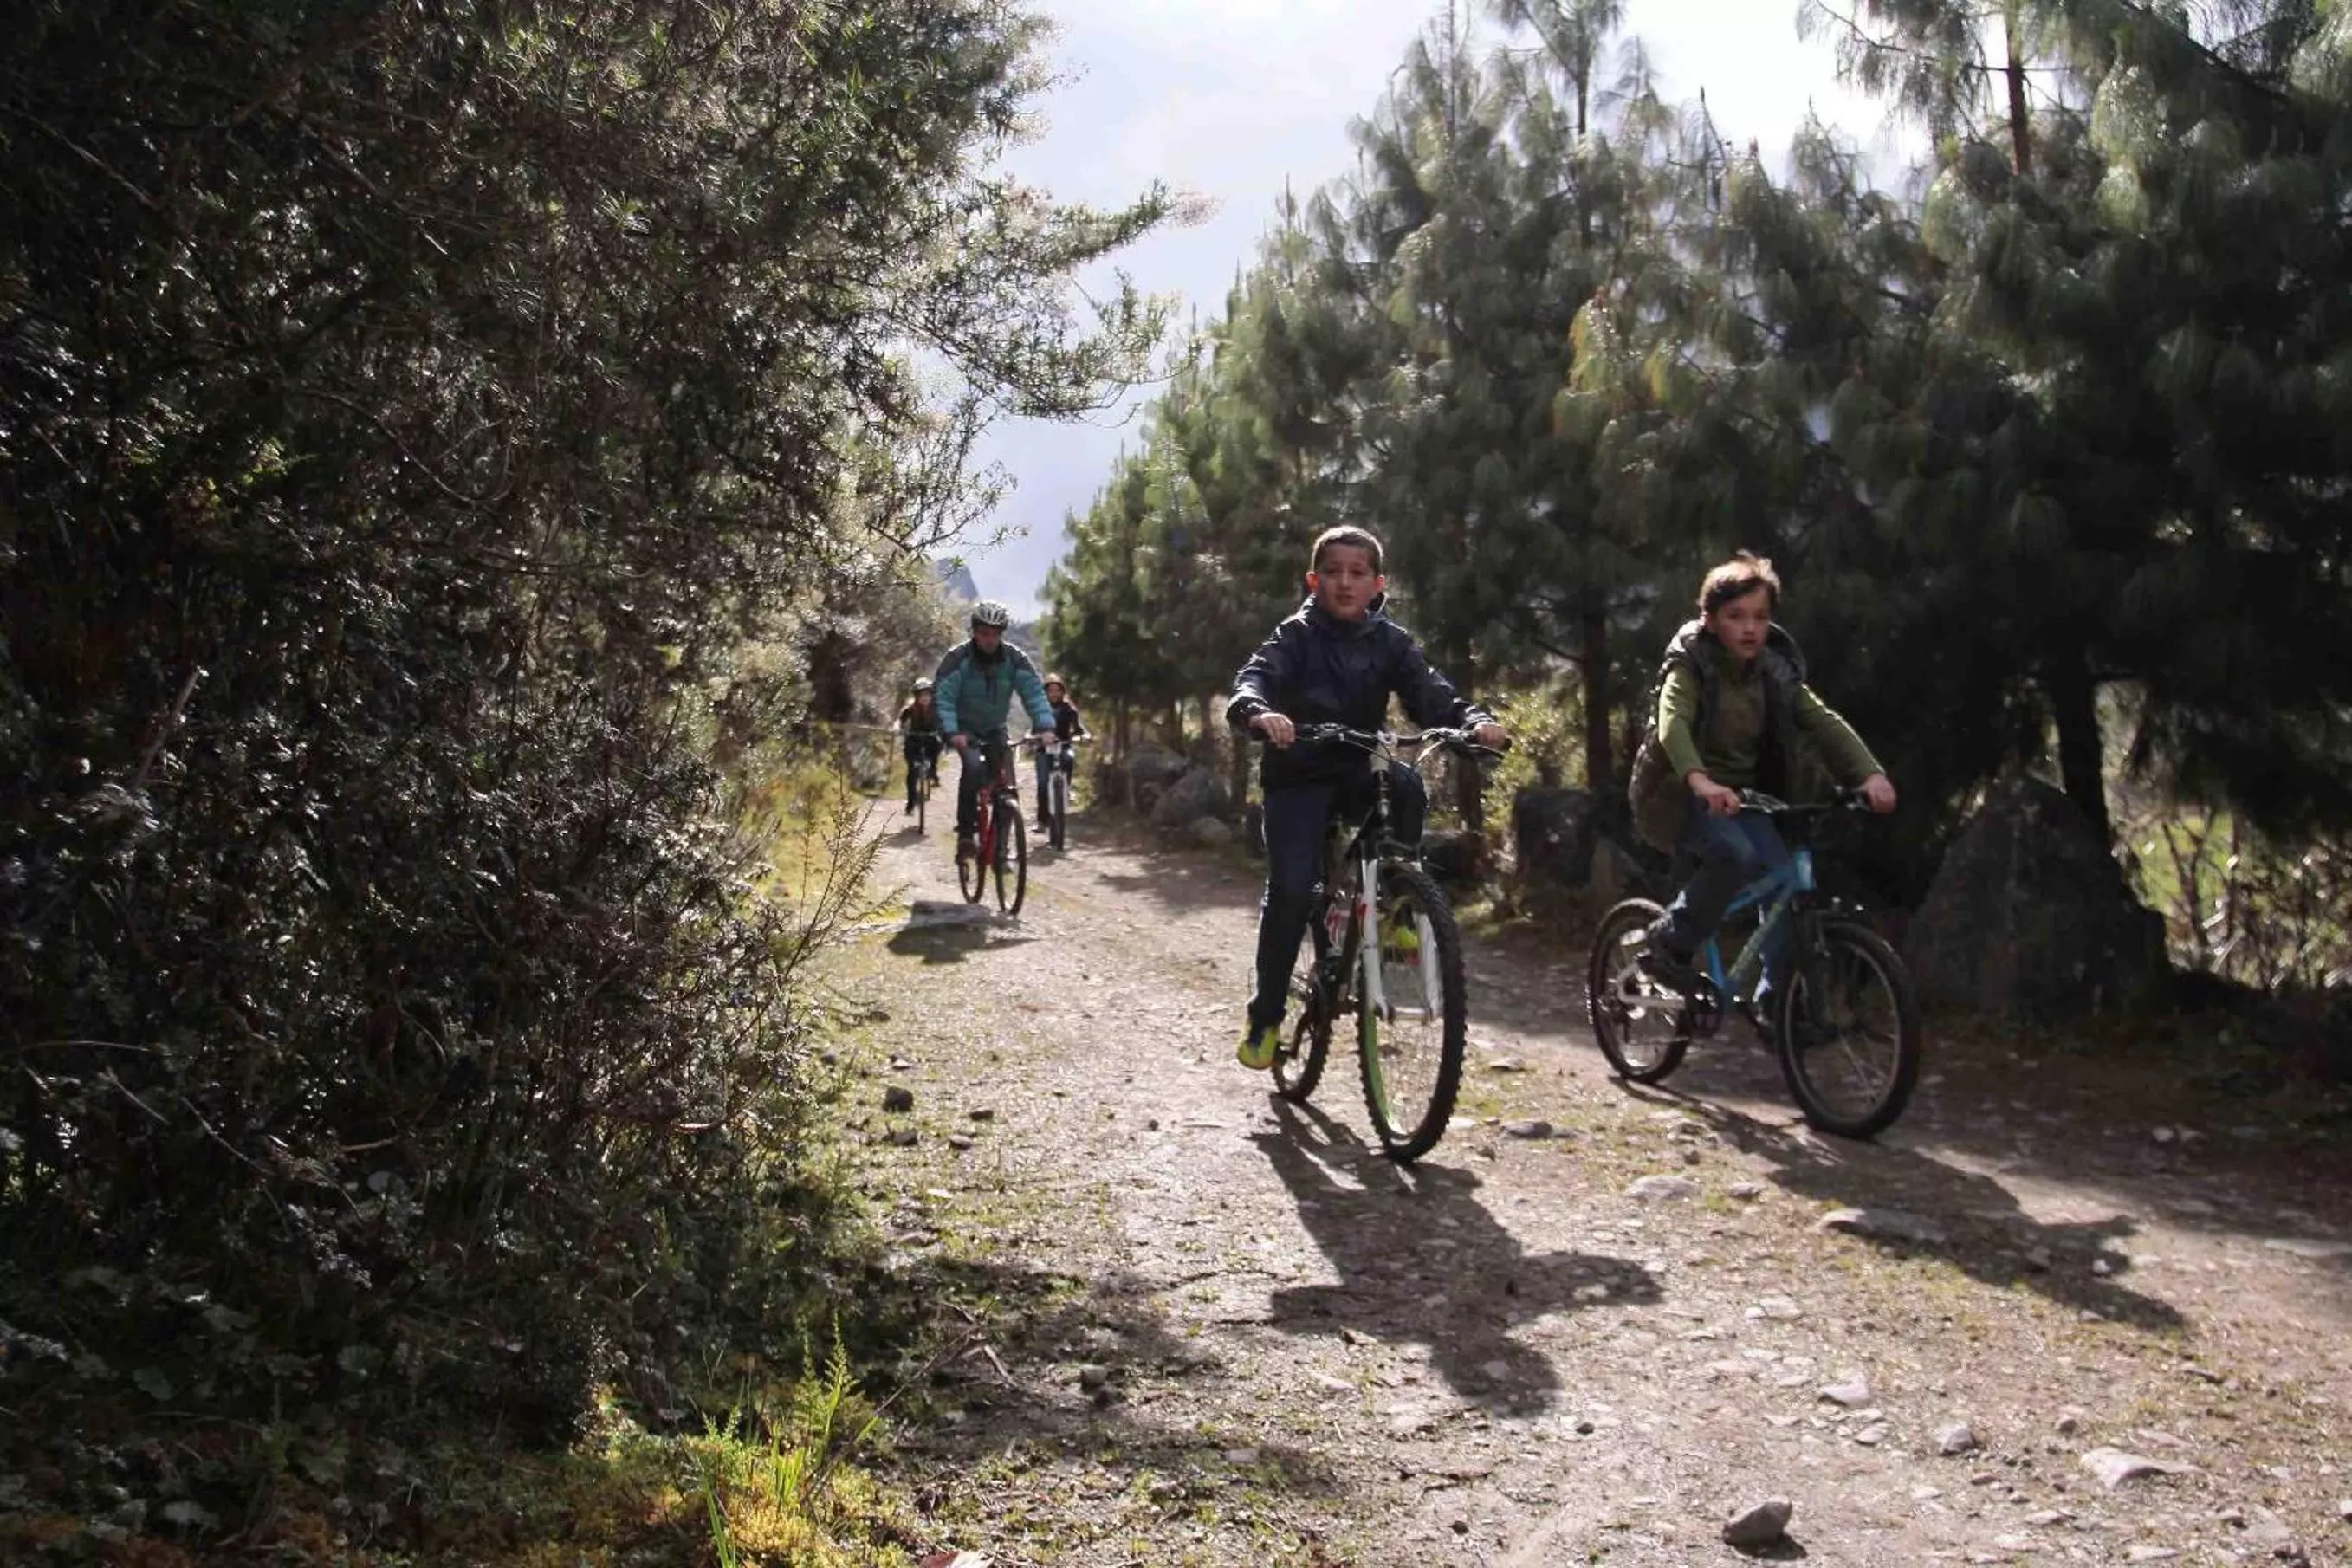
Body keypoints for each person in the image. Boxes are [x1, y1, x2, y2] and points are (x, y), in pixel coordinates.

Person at [1225, 525, 1507, 1072]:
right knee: (1289, 891)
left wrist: (1472, 721)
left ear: (1378, 584)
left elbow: (1430, 691)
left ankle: (1396, 903)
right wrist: (1259, 713)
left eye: (1358, 574)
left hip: (1358, 768)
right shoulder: (1294, 636)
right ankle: (1265, 1017)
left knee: (1406, 785)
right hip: (1298, 775)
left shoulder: (1391, 641)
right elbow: (1253, 679)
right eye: (1333, 572)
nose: (1345, 583)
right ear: (1314, 579)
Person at [1629, 551, 1896, 996]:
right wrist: (1700, 780)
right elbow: (1671, 723)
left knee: (1784, 881)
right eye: (1736, 617)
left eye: (1760, 616)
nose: (1751, 628)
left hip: (1745, 798)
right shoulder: (1691, 664)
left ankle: (1777, 1002)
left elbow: (1823, 721)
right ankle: (1671, 940)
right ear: (1711, 621)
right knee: (1736, 855)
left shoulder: (1774, 670)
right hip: (1678, 793)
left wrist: (1869, 775)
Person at [932, 599, 1055, 864]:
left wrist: (1044, 726)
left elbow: (1033, 692)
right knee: (974, 768)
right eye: (984, 633)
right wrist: (952, 732)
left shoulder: (1014, 658)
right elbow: (943, 697)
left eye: (995, 634)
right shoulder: (958, 659)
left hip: (995, 729)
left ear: (1002, 634)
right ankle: (966, 836)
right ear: (974, 632)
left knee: (1007, 788)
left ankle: (1000, 850)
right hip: (964, 729)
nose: (989, 639)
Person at [1029, 673, 1090, 832]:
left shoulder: (1069, 709)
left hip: (1063, 747)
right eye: (1051, 690)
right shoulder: (1040, 710)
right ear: (1046, 693)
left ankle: (1066, 790)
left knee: (1069, 759)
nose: (1054, 693)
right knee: (1042, 785)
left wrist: (1084, 736)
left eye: (1057, 690)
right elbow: (1033, 730)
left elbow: (1079, 729)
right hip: (1044, 750)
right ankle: (1042, 822)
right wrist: (1031, 737)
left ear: (1062, 692)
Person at [896, 677, 943, 813]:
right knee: (912, 771)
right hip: (914, 737)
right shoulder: (910, 708)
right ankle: (911, 803)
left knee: (937, 744)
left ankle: (933, 771)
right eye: (922, 695)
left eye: (928, 695)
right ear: (917, 696)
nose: (925, 698)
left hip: (930, 737)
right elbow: (900, 721)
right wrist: (897, 728)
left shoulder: (936, 709)